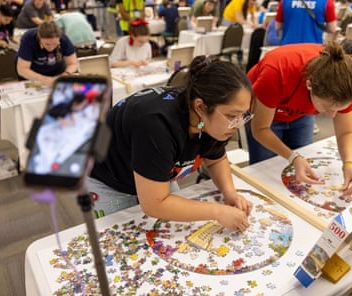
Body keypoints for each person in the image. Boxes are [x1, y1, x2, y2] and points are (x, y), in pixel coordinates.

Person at [88, 56, 254, 231]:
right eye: (232, 116)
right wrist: (218, 212)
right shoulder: (156, 125)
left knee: (167, 226)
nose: (239, 123)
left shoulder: (214, 120)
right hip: (108, 178)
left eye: (243, 115)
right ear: (200, 107)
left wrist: (230, 193)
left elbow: (216, 159)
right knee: (119, 237)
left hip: (155, 171)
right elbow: (155, 204)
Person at [246, 42, 352, 196]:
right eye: (327, 108)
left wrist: (349, 164)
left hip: (301, 112)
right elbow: (260, 129)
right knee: (265, 172)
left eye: (339, 109)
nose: (332, 115)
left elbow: (347, 132)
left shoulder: (348, 87)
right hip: (265, 109)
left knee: (303, 167)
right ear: (309, 85)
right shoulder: (277, 72)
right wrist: (293, 157)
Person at [16, 21, 77, 87]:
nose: (51, 48)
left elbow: (72, 63)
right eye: (47, 44)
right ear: (39, 37)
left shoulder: (64, 39)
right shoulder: (28, 38)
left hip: (56, 70)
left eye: (55, 44)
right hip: (32, 73)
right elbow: (22, 69)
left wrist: (65, 75)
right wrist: (43, 79)